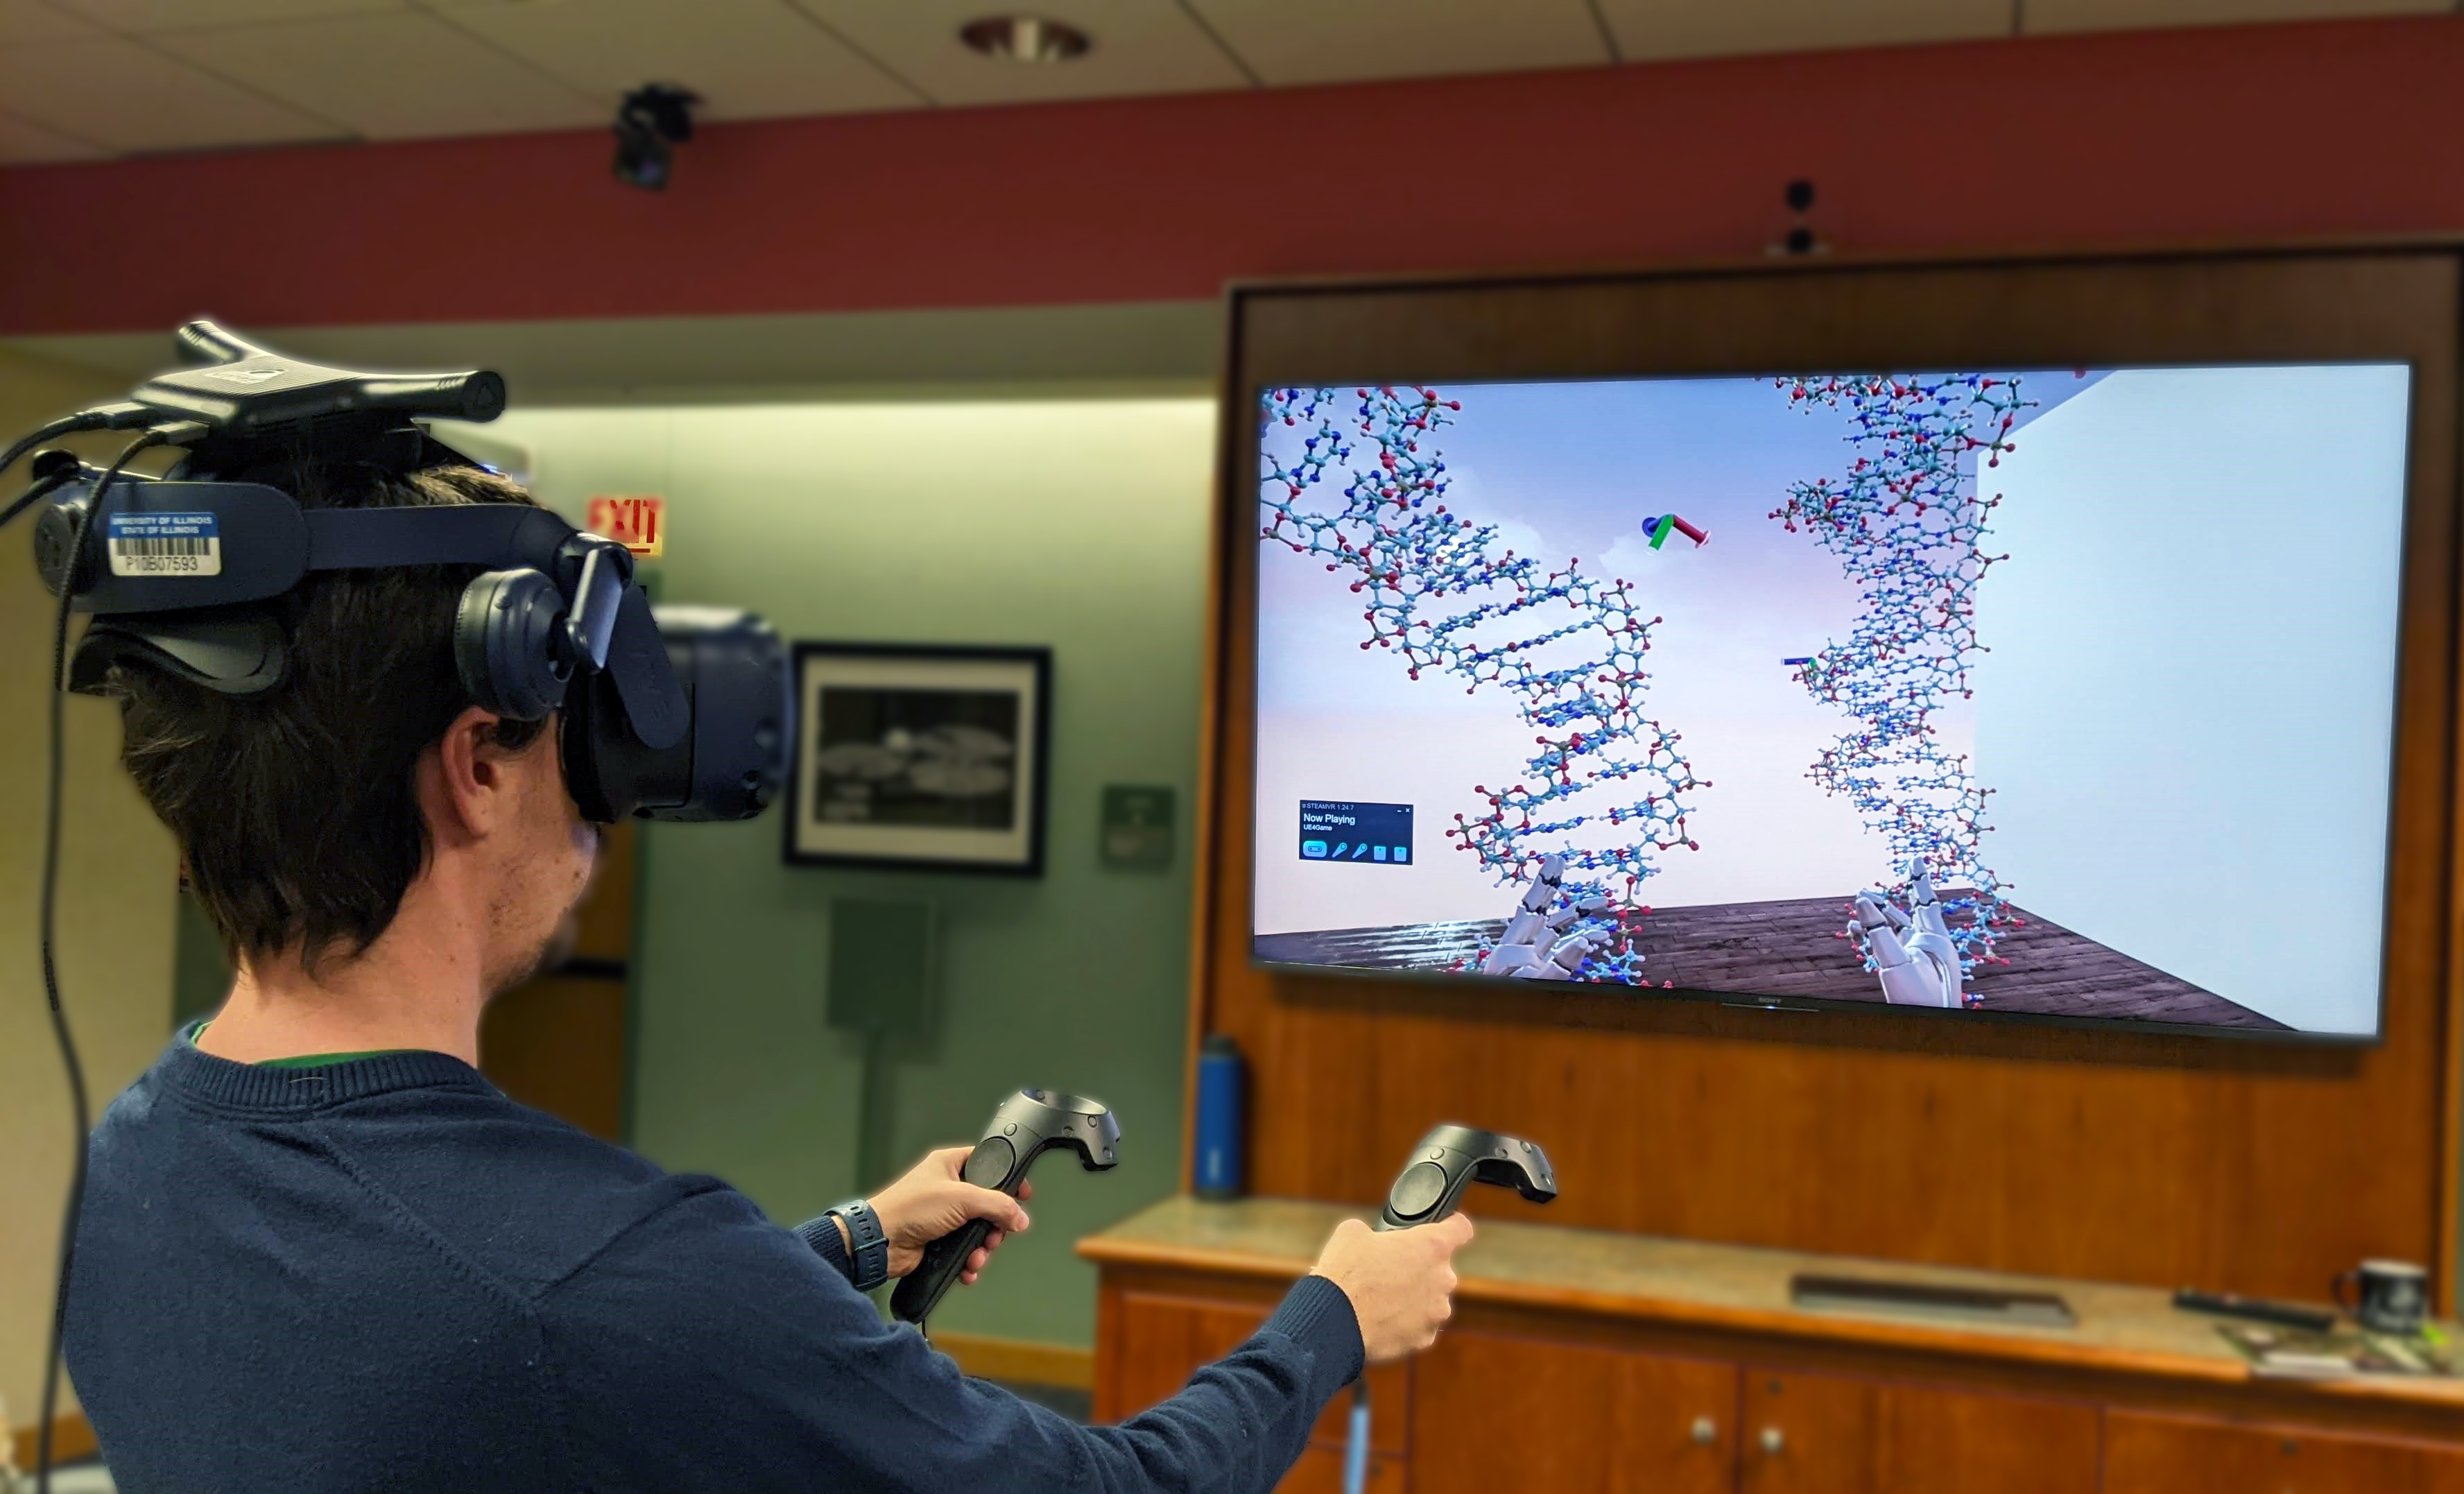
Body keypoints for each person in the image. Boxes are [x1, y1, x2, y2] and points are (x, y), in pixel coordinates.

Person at [62, 460, 1474, 1493]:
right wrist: (1335, 1319)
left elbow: (462, 1363)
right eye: (574, 737)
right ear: (479, 766)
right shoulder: (602, 1265)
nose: (599, 799)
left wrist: (840, 1250)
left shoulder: (135, 1158)